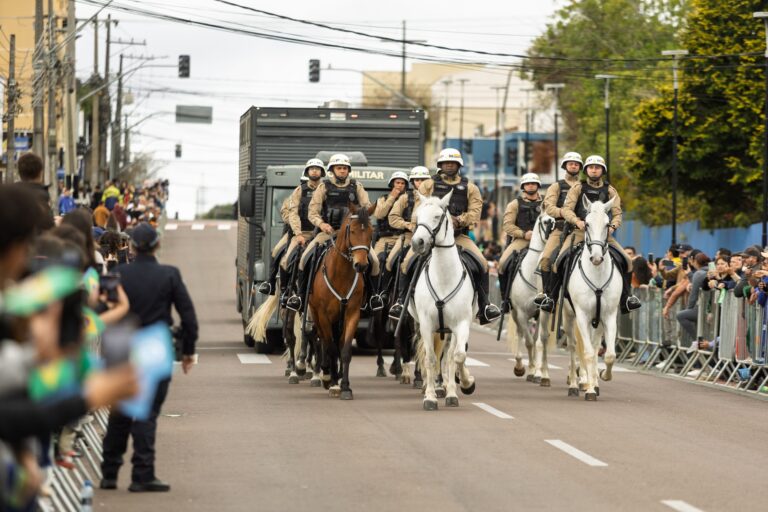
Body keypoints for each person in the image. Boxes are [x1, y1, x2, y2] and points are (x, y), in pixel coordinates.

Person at [100, 222, 198, 493]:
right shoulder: (170, 274)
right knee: (147, 412)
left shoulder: (116, 273)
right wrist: (188, 351)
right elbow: (188, 316)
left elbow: (101, 309)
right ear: (156, 245)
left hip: (121, 345)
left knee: (119, 411)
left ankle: (109, 472)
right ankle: (142, 474)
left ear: (131, 247)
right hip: (154, 344)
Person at [388, 148, 501, 324]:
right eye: (446, 163)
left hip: (458, 236)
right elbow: (418, 211)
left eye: (453, 163)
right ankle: (401, 302)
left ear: (458, 165)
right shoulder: (428, 185)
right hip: (431, 237)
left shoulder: (471, 188)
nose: (449, 165)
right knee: (406, 263)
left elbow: (475, 213)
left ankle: (485, 306)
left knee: (483, 264)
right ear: (440, 165)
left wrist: (459, 220)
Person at [542, 154, 640, 314]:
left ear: (602, 170)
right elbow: (566, 209)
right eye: (591, 167)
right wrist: (577, 221)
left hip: (602, 234)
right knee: (557, 261)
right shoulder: (577, 188)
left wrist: (613, 227)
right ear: (586, 170)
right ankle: (551, 298)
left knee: (628, 261)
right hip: (579, 231)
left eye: (597, 167)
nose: (594, 170)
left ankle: (626, 299)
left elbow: (617, 213)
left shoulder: (610, 190)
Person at [289, 153, 382, 312]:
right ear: (332, 170)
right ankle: (300, 296)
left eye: (345, 168)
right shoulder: (323, 187)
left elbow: (366, 206)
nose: (342, 171)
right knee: (304, 259)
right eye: (339, 168)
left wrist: (365, 214)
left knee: (374, 261)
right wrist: (322, 224)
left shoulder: (356, 186)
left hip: (352, 234)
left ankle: (373, 296)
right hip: (328, 232)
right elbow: (313, 212)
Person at [534, 152, 583, 306]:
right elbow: (549, 207)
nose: (573, 166)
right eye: (570, 163)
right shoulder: (556, 186)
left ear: (580, 167)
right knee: (547, 258)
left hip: (582, 229)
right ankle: (548, 294)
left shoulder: (585, 185)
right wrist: (564, 213)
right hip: (561, 228)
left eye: (576, 164)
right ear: (565, 166)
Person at [276, 159, 324, 306]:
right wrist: (297, 232)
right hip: (301, 232)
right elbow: (289, 213)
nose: (314, 171)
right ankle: (283, 290)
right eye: (312, 169)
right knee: (283, 258)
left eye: (317, 169)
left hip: (320, 233)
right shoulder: (298, 192)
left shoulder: (326, 189)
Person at [497, 172, 542, 312]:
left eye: (533, 183)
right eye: (528, 184)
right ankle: (505, 300)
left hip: (543, 241)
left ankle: (554, 297)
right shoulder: (514, 204)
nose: (530, 186)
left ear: (538, 185)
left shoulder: (547, 203)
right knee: (503, 263)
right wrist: (524, 234)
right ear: (523, 186)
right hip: (522, 240)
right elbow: (507, 225)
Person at [384, 166, 431, 296]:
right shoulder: (405, 198)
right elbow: (392, 218)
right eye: (417, 180)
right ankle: (388, 296)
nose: (420, 183)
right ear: (413, 182)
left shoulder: (436, 199)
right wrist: (408, 225)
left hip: (432, 239)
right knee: (390, 262)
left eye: (423, 180)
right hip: (409, 237)